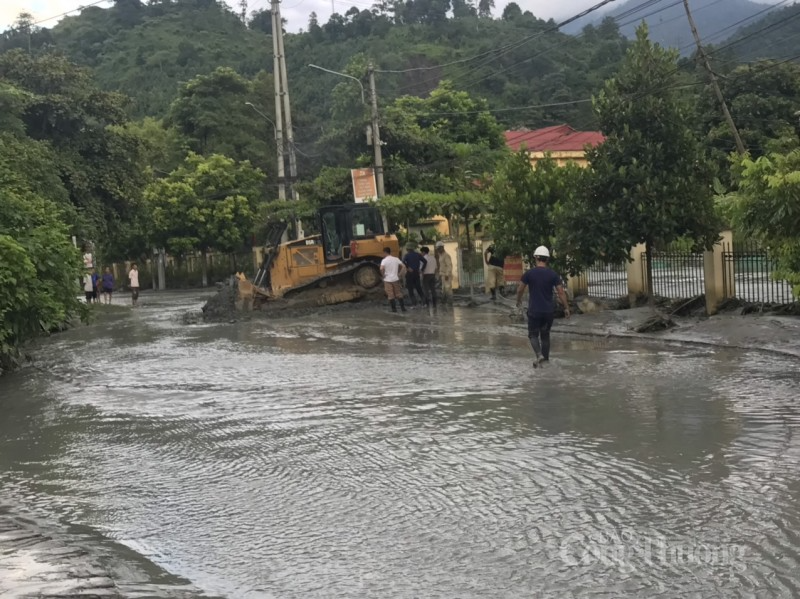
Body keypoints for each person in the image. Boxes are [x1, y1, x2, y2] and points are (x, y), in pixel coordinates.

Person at [515, 245, 571, 368]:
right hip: (548, 312)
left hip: (534, 311)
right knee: (545, 336)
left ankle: (539, 355)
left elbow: (520, 289)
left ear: (536, 257)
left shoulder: (529, 274)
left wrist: (518, 301)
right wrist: (566, 308)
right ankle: (545, 362)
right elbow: (561, 292)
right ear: (547, 259)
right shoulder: (553, 274)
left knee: (533, 335)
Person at [380, 247, 407, 313]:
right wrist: (400, 274)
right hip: (395, 279)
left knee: (390, 295)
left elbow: (381, 269)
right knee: (398, 293)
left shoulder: (384, 260)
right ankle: (403, 308)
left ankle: (394, 310)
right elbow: (403, 266)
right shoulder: (396, 259)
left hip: (388, 280)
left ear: (385, 252)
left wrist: (383, 275)